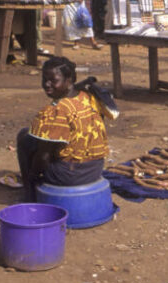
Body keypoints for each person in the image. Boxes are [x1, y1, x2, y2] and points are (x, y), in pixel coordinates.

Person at [17, 57, 112, 203]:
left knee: (24, 138)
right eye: (44, 79)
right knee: (35, 137)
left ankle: (30, 194)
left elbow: (44, 157)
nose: (47, 85)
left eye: (53, 80)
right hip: (96, 168)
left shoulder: (57, 110)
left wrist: (32, 175)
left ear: (69, 80)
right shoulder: (88, 97)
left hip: (71, 175)